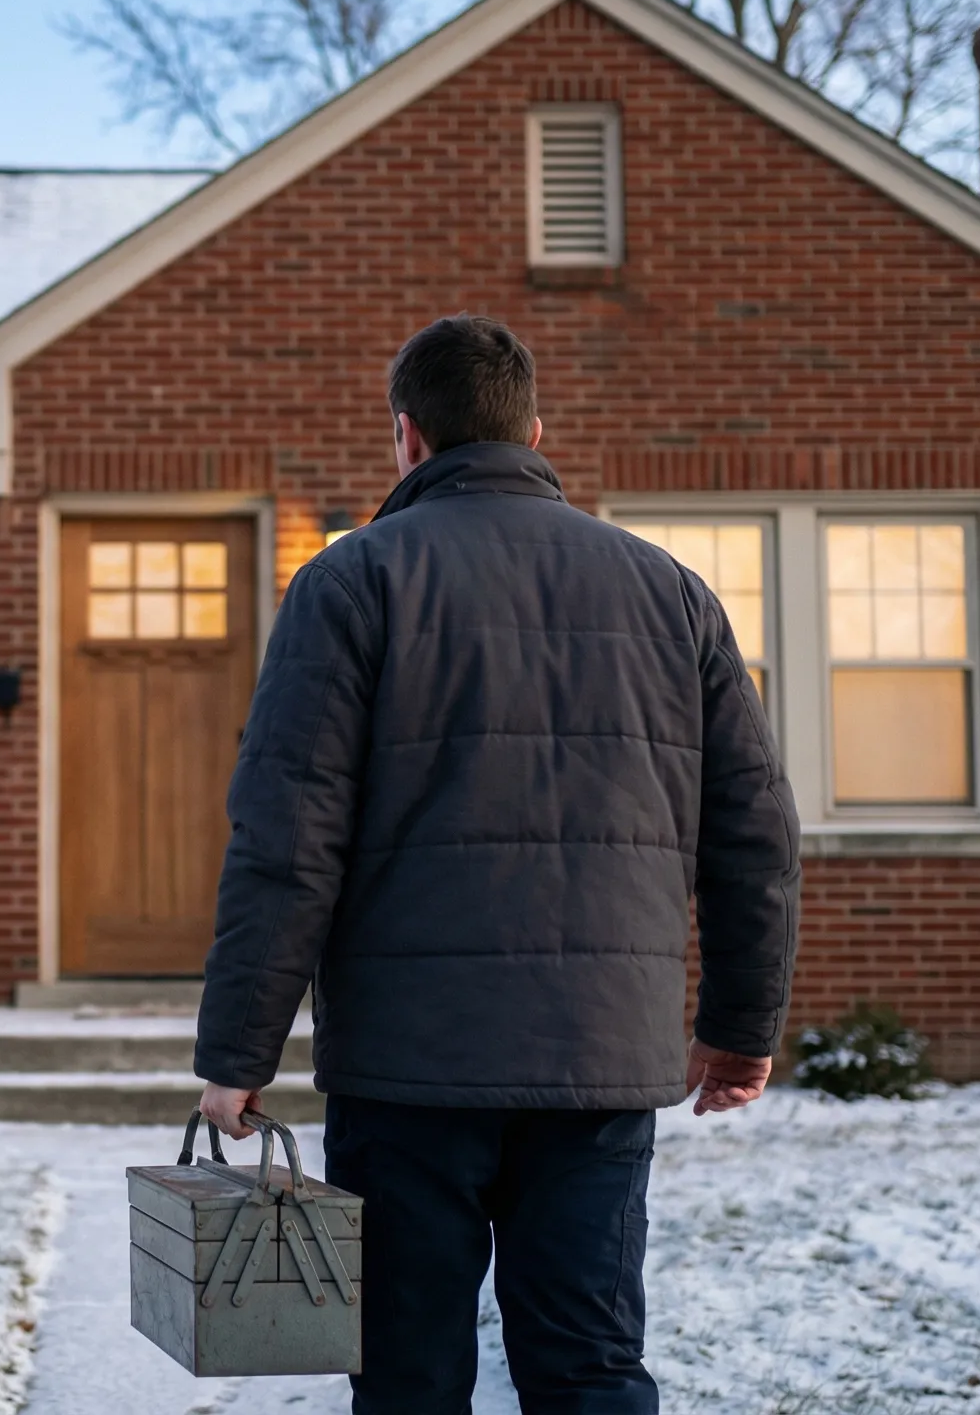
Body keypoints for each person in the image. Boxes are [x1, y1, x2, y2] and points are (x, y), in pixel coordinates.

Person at [194, 314, 801, 1413]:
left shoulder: (351, 584)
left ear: (406, 439)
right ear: (532, 429)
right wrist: (741, 1025)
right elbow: (754, 830)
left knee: (410, 1374)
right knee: (588, 1366)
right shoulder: (672, 595)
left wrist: (239, 1048)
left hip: (407, 1070)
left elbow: (287, 840)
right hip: (599, 1062)